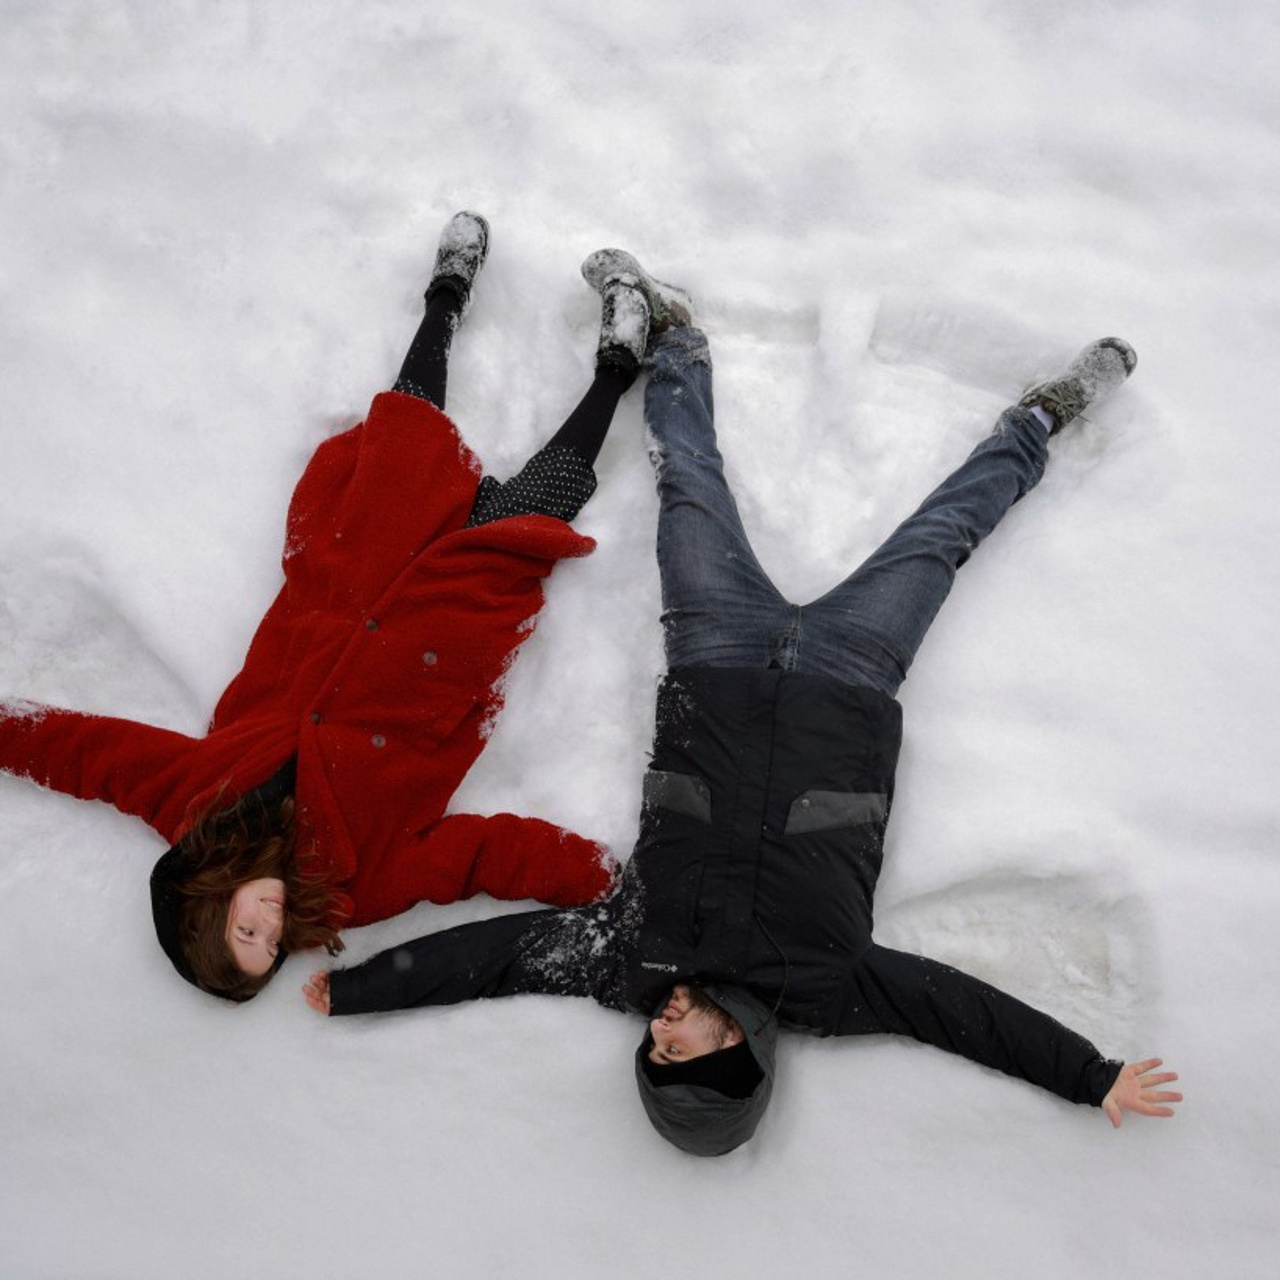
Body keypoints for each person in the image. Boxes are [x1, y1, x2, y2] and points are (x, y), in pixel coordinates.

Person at [303, 251, 1182, 1154]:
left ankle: (678, 339)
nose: (659, 1029)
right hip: (849, 680)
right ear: (734, 1053)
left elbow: (495, 960)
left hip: (714, 659)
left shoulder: (628, 956)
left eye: (652, 1046)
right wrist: (1087, 1073)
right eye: (674, 1048)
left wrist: (369, 987)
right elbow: (958, 1013)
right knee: (943, 533)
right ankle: (1038, 420)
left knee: (689, 488)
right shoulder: (833, 988)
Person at [0, 213, 669, 1002]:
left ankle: (446, 294)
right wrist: (600, 877)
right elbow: (479, 857)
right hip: (444, 650)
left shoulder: (190, 802)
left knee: (404, 441)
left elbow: (85, 756)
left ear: (205, 902)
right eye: (273, 947)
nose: (273, 926)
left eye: (247, 930)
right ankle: (622, 357)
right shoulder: (357, 888)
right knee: (534, 512)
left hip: (343, 589)